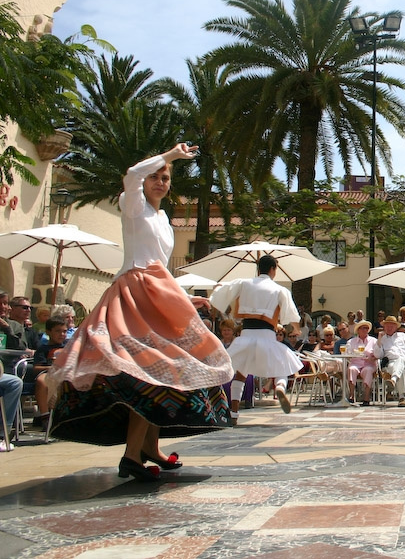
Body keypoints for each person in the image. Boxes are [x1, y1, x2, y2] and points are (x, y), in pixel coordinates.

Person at [45, 144, 233, 481]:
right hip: (133, 296)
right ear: (145, 182)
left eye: (165, 178)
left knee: (165, 370)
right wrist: (171, 156)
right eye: (155, 177)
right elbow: (131, 174)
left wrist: (183, 297)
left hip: (158, 296)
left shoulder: (163, 219)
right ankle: (132, 455)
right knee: (146, 373)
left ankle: (149, 447)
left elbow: (161, 266)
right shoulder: (133, 206)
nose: (160, 181)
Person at [210, 254, 304, 421]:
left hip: (246, 336)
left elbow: (221, 292)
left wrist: (217, 289)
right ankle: (280, 387)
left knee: (240, 374)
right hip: (267, 336)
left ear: (258, 268)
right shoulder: (279, 289)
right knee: (282, 368)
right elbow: (291, 315)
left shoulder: (243, 283)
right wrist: (296, 330)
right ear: (273, 269)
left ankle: (234, 413)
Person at [29, 319, 68, 424]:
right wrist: (51, 368)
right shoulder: (43, 349)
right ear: (48, 332)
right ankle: (45, 417)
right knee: (41, 381)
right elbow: (36, 367)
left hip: (67, 373)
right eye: (58, 331)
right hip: (49, 373)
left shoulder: (69, 347)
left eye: (64, 331)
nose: (62, 334)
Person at [374, 315, 405, 406]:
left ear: (396, 327)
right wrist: (379, 340)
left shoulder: (403, 336)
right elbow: (378, 355)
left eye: (392, 326)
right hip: (391, 363)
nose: (389, 328)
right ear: (384, 327)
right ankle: (401, 397)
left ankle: (393, 380)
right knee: (397, 368)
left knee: (401, 360)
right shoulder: (382, 339)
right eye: (387, 326)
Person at [346, 320, 378, 406]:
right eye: (363, 328)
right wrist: (354, 354)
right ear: (358, 330)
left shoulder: (374, 341)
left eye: (366, 328)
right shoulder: (351, 342)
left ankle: (366, 397)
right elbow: (347, 354)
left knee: (368, 370)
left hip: (369, 364)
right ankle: (351, 395)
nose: (365, 330)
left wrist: (373, 357)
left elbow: (378, 354)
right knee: (351, 369)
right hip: (355, 363)